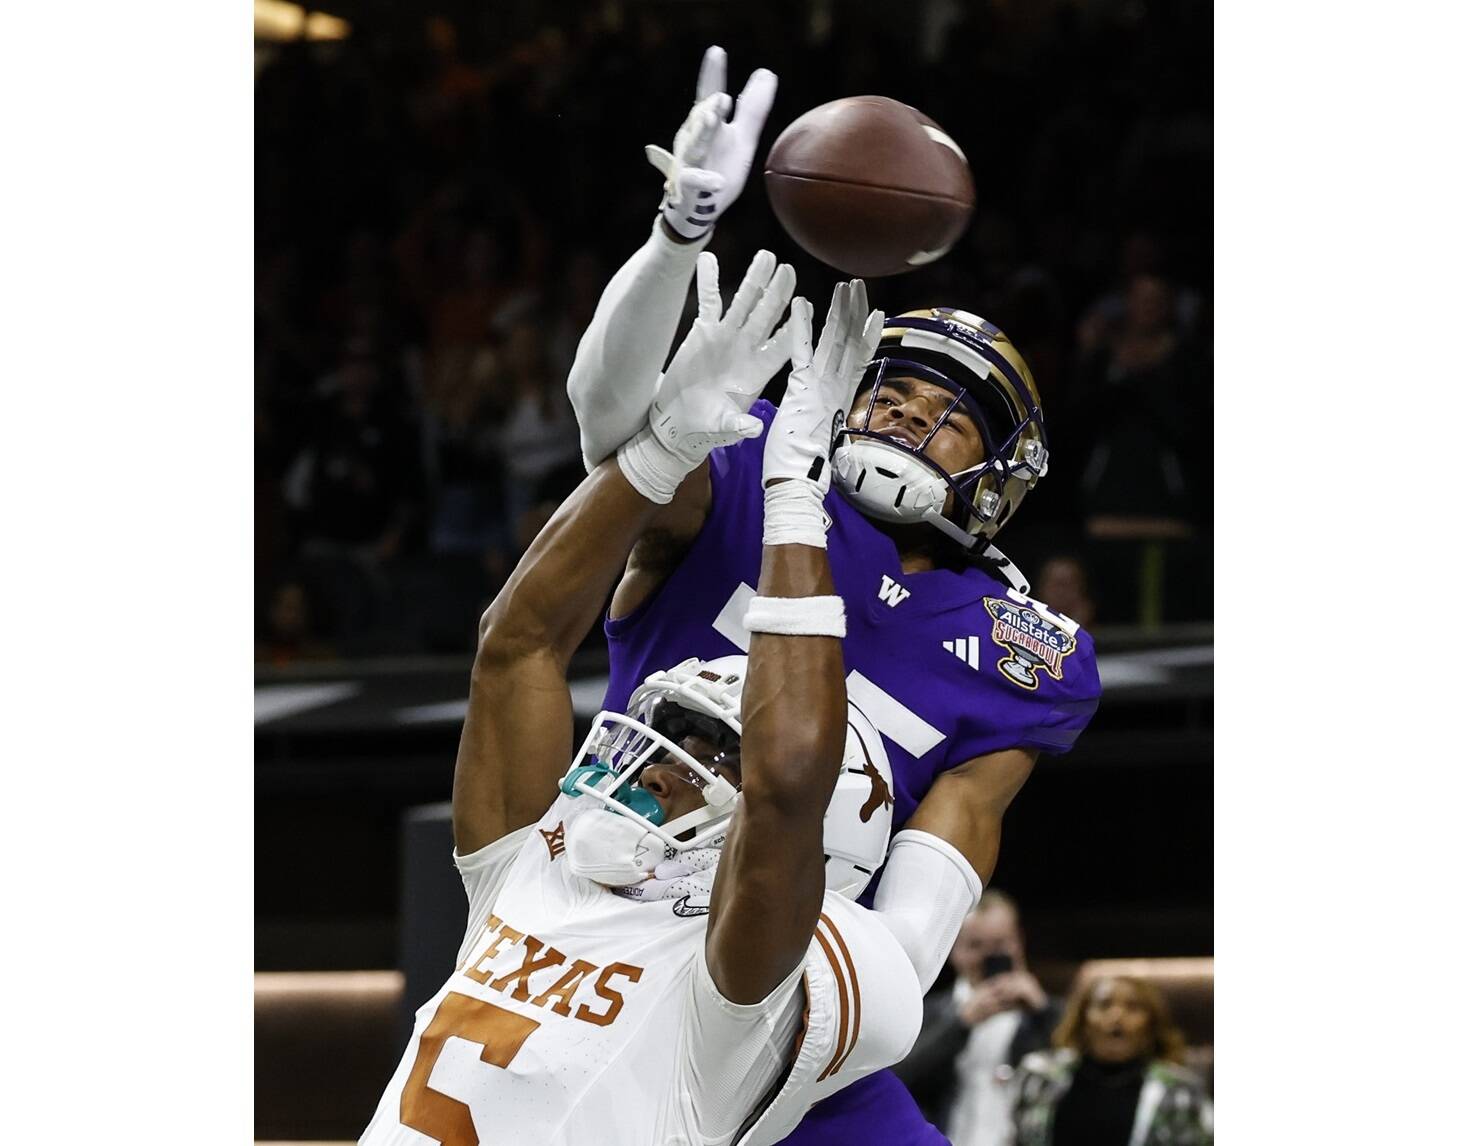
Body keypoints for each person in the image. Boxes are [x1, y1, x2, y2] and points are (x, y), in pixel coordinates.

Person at [564, 46, 1103, 1146]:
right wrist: (676, 239)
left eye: (944, 413)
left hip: (791, 990)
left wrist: (809, 1023)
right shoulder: (758, 468)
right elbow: (606, 428)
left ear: (1000, 476)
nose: (905, 416)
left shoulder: (1023, 652)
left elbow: (917, 916)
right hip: (600, 924)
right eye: (892, 390)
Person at [360, 250, 985, 1145]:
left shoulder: (741, 991)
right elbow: (515, 645)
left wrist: (793, 491)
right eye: (670, 734)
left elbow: (786, 787)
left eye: (709, 753)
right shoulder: (532, 867)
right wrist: (664, 449)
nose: (657, 764)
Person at [895, 891, 1062, 1145]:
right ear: (953, 949)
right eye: (975, 946)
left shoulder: (1049, 1011)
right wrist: (960, 1024)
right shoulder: (923, 1011)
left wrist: (1043, 1011)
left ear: (1018, 941)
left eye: (1000, 944)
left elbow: (1072, 1075)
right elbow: (898, 1080)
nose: (988, 956)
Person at [1011, 975, 1212, 1146]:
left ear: (1151, 1023)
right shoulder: (1039, 1077)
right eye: (1104, 1005)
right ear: (1083, 1018)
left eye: (1133, 1008)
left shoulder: (1180, 1090)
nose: (1117, 1016)